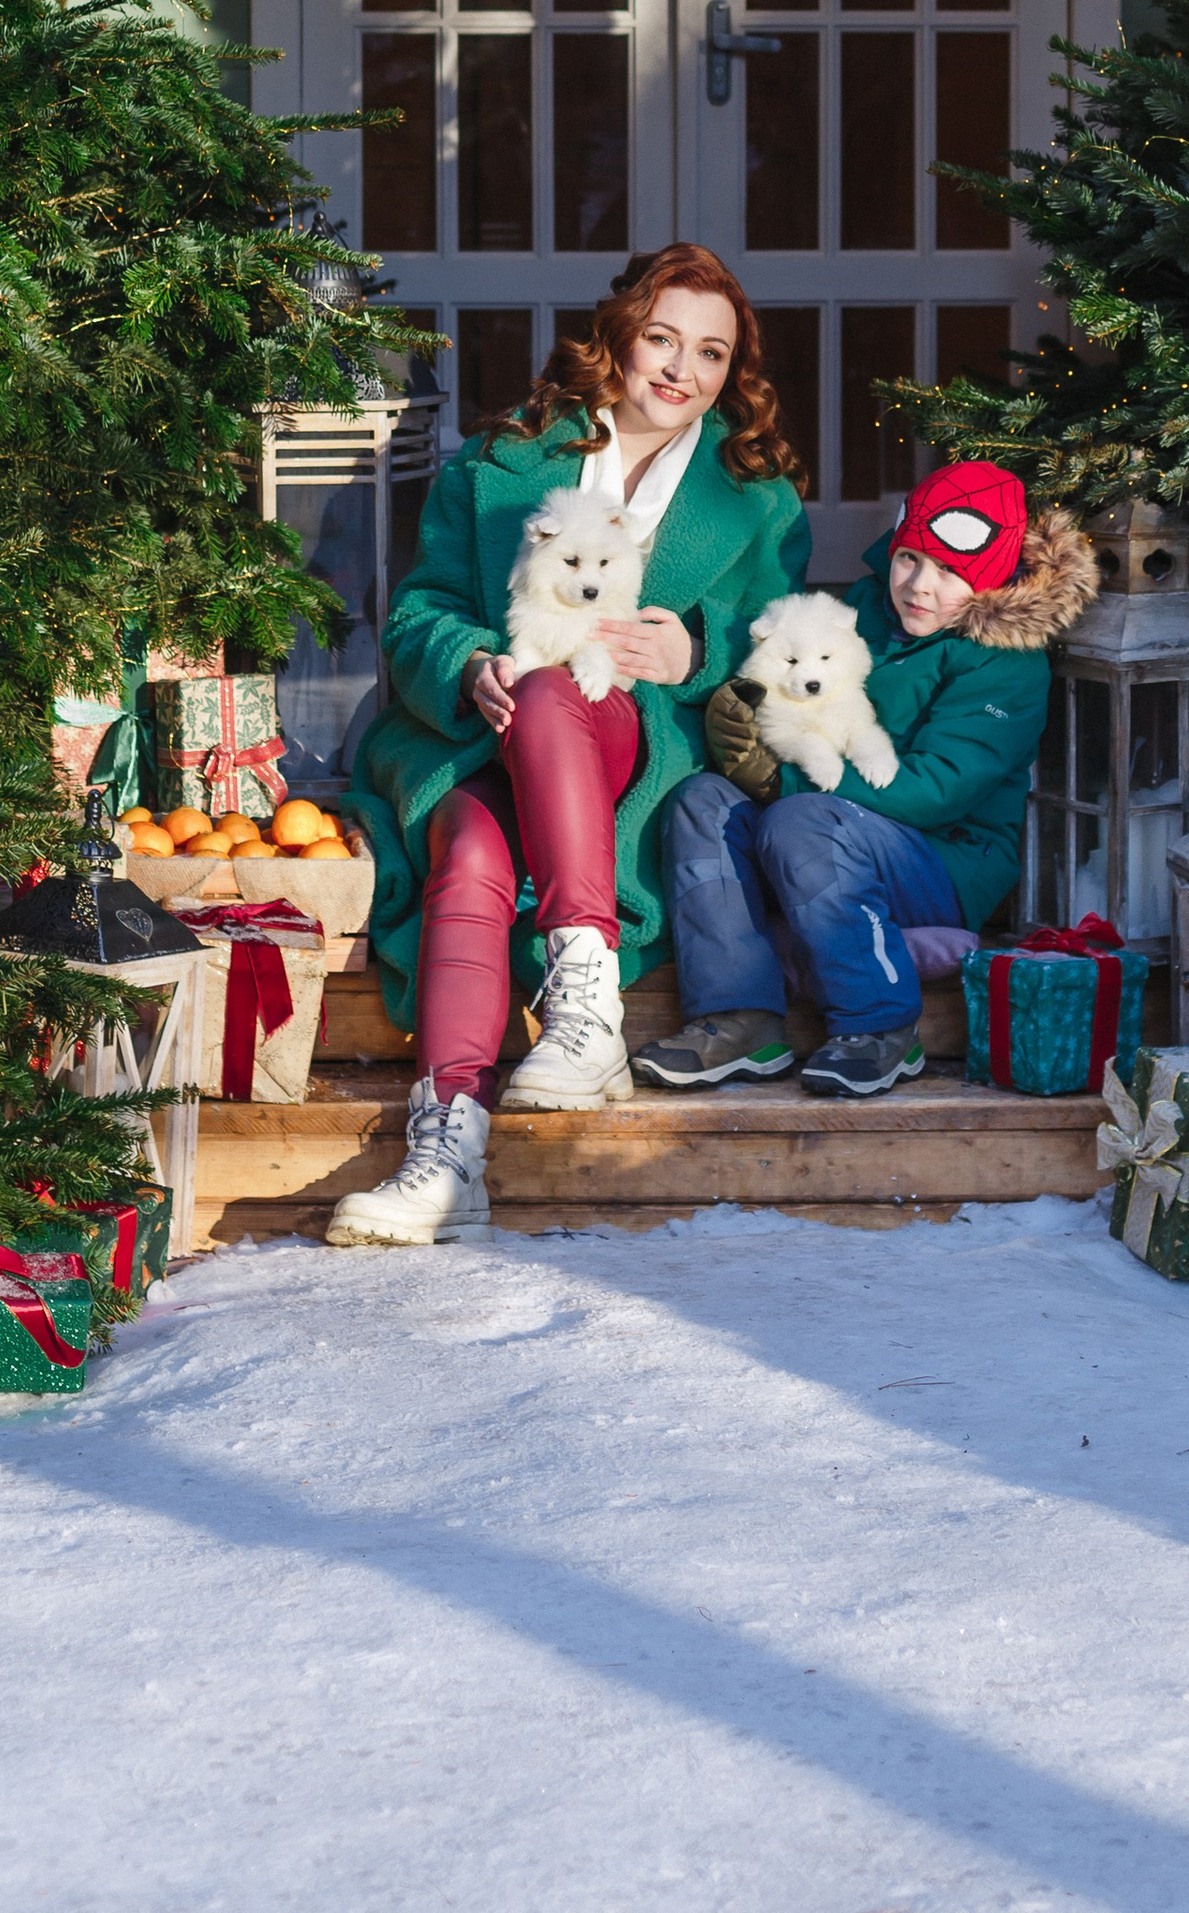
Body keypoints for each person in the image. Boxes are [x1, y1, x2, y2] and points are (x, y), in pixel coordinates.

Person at [327, 245, 810, 1248]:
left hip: (634, 745)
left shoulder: (755, 497)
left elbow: (786, 639)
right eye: (663, 339)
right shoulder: (505, 457)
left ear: (732, 373)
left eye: (711, 355)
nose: (681, 370)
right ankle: (446, 1156)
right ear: (621, 336)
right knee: (465, 856)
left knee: (558, 689)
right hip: (481, 737)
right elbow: (418, 609)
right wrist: (465, 664)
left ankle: (584, 994)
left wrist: (702, 645)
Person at [638, 459, 1096, 1100]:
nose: (919, 587)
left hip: (943, 858)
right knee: (702, 800)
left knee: (801, 818)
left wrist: (783, 785)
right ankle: (739, 1015)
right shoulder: (858, 610)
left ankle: (878, 1025)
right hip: (821, 827)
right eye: (910, 559)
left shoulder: (1007, 666)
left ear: (990, 581)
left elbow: (938, 789)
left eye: (950, 573)